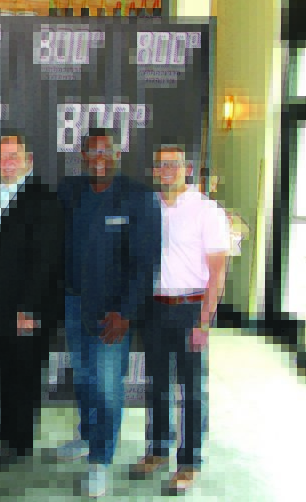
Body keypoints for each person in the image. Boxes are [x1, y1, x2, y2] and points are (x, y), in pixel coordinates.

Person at [56, 127, 161, 497]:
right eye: (92, 152)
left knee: (107, 387)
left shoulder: (138, 198)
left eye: (106, 152)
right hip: (74, 303)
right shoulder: (70, 192)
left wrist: (125, 312)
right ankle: (87, 436)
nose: (99, 159)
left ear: (117, 155)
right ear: (83, 157)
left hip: (113, 313)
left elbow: (145, 263)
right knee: (85, 379)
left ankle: (100, 460)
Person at [128, 145, 229, 493]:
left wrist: (204, 322)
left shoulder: (206, 210)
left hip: (191, 308)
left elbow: (218, 272)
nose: (166, 170)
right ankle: (157, 450)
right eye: (160, 165)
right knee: (157, 384)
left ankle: (189, 462)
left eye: (173, 164)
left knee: (191, 389)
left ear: (187, 168)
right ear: (154, 171)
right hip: (154, 308)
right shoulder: (148, 207)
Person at [0, 133, 65, 468]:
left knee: (23, 375)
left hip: (25, 310)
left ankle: (18, 443)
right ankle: (5, 428)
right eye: (2, 156)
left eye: (13, 156)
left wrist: (29, 308)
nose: (7, 162)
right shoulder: (2, 195)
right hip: (0, 307)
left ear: (29, 160)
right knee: (6, 371)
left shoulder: (42, 199)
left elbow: (46, 260)